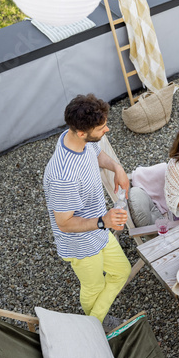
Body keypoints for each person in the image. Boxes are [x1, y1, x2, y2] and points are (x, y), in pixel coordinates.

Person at [43, 94, 131, 327]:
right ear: (82, 132)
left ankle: (95, 320)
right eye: (102, 128)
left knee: (122, 271)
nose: (108, 130)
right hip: (80, 243)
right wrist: (104, 221)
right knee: (94, 286)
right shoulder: (63, 176)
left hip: (99, 231)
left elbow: (97, 154)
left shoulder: (75, 138)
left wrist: (117, 167)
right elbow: (64, 223)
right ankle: (93, 327)